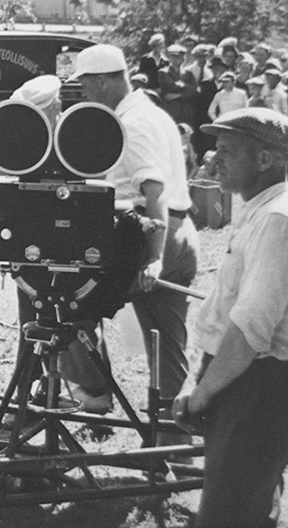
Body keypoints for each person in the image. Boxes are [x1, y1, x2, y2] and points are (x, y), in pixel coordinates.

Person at [172, 108, 288, 528]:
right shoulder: (260, 211)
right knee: (250, 511)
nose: (214, 159)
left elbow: (249, 328)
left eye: (228, 150)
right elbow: (226, 314)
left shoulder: (277, 219)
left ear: (264, 159)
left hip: (255, 390)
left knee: (226, 519)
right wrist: (199, 380)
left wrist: (202, 394)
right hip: (242, 381)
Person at [69, 44, 199, 422]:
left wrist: (154, 257)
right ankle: (173, 432)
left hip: (151, 235)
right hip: (180, 230)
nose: (84, 94)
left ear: (103, 82)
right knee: (168, 346)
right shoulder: (152, 113)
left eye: (85, 85)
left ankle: (94, 392)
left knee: (68, 301)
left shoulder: (131, 123)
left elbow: (154, 191)